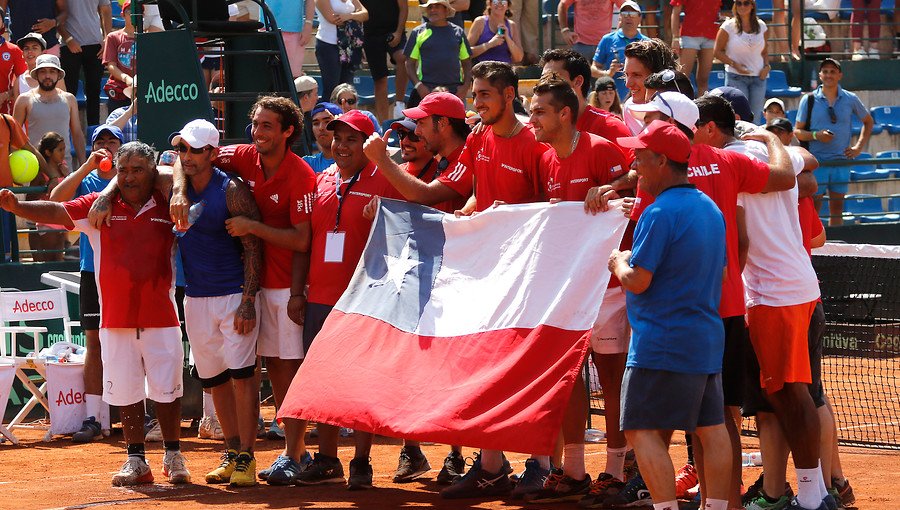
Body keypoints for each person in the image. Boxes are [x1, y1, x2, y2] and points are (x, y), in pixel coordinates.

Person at [630, 90, 795, 507]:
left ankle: (667, 498)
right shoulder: (725, 169)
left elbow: (640, 267)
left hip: (670, 322)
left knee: (650, 425)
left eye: (651, 119)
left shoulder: (656, 197)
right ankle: (723, 504)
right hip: (720, 312)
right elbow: (789, 177)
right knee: (718, 421)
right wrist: (773, 138)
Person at [1, 141, 191, 487]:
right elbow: (58, 211)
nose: (130, 177)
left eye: (137, 170)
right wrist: (18, 207)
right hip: (115, 319)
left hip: (162, 316)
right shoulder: (96, 208)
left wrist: (139, 184)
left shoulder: (168, 201)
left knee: (167, 389)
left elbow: (174, 170)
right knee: (126, 392)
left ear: (152, 172)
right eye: (123, 171)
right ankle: (136, 460)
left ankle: (173, 454)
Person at [171, 96, 317, 486]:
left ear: (288, 131)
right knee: (259, 368)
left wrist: (253, 229)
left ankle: (293, 453)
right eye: (255, 124)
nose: (258, 132)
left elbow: (302, 239)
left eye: (268, 125)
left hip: (283, 282)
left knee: (284, 369)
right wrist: (178, 191)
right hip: (247, 282)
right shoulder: (241, 155)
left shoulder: (301, 175)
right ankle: (245, 452)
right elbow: (180, 160)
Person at [610, 119, 732, 510]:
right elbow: (724, 271)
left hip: (661, 341)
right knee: (711, 429)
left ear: (662, 161)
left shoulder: (658, 213)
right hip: (705, 338)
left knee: (638, 428)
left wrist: (618, 261)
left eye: (640, 157)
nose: (634, 164)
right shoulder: (710, 209)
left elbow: (639, 280)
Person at [524, 75, 630, 505]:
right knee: (566, 380)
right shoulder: (547, 158)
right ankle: (573, 471)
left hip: (607, 288)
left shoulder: (602, 150)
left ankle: (617, 471)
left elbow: (638, 192)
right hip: (568, 288)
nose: (532, 118)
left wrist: (612, 190)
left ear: (564, 114)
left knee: (612, 378)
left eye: (539, 111)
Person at [292, 109, 403, 490]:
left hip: (364, 299)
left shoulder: (386, 180)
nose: (341, 145)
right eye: (337, 138)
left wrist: (384, 220)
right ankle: (326, 459)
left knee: (360, 383)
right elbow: (305, 243)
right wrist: (297, 292)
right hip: (320, 297)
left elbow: (407, 233)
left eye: (352, 139)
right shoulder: (320, 180)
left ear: (370, 144)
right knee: (323, 381)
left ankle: (361, 460)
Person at [168, 119, 264, 487]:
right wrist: (178, 187)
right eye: (182, 149)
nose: (186, 156)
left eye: (194, 150)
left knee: (243, 378)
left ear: (212, 152)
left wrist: (248, 300)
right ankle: (230, 450)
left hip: (232, 293)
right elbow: (168, 167)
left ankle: (248, 458)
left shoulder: (232, 190)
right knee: (215, 380)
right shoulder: (176, 184)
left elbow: (253, 246)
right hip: (195, 297)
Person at [49, 124, 124, 443]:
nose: (106, 145)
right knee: (93, 342)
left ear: (122, 146)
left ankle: (144, 415)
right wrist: (86, 166)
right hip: (92, 272)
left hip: (124, 273)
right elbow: (55, 201)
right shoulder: (88, 180)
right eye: (100, 141)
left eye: (112, 140)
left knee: (130, 344)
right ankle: (95, 417)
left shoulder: (132, 180)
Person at [794, 58, 875, 227]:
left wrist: (858, 147)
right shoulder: (808, 100)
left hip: (841, 162)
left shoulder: (850, 98)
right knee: (814, 208)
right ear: (820, 75)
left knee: (837, 208)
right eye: (825, 71)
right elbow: (797, 132)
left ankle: (835, 249)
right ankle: (813, 246)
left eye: (832, 71)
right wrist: (817, 135)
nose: (828, 75)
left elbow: (868, 121)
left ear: (840, 75)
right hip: (817, 163)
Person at [540, 48, 633, 145]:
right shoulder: (541, 129)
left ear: (578, 82)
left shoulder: (611, 128)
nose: (545, 85)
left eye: (553, 78)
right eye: (543, 79)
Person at [13, 54, 86, 169]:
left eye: (52, 71)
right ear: (36, 75)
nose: (47, 76)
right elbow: (14, 136)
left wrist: (83, 165)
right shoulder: (24, 100)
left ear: (58, 75)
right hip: (35, 169)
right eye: (43, 72)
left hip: (65, 168)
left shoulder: (69, 99)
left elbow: (77, 133)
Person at [404, 0, 473, 107]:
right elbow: (409, 64)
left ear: (446, 10)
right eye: (430, 7)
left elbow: (467, 63)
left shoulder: (458, 32)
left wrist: (465, 87)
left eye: (437, 7)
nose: (433, 10)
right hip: (427, 90)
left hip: (454, 92)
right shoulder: (418, 32)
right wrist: (419, 86)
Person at [714, 0, 769, 121]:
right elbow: (717, 52)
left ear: (752, 5)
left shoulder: (762, 26)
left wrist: (767, 67)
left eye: (746, 3)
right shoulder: (727, 26)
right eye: (739, 3)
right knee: (738, 118)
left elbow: (765, 52)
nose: (742, 6)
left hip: (759, 78)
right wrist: (734, 64)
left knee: (755, 120)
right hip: (735, 76)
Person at [60, 0, 112, 126]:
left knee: (94, 91)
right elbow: (57, 14)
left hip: (95, 44)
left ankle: (93, 132)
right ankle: (68, 133)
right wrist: (68, 39)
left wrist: (107, 39)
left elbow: (106, 10)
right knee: (68, 92)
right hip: (68, 45)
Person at [360, 0, 409, 121]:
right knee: (380, 80)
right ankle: (383, 124)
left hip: (394, 31)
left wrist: (398, 32)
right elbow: (356, 10)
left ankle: (399, 104)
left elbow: (403, 7)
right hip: (370, 35)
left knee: (402, 57)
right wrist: (358, 43)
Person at [621, 38, 677, 134]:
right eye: (626, 74)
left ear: (658, 76)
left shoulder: (683, 109)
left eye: (636, 75)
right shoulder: (629, 108)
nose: (628, 84)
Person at [314, 0, 368, 101]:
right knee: (331, 90)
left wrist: (348, 16)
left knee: (347, 91)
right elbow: (333, 19)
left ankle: (344, 117)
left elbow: (365, 14)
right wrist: (355, 16)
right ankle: (329, 116)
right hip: (328, 45)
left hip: (348, 48)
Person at [27, 131, 69, 262]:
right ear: (48, 152)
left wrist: (68, 177)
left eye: (64, 149)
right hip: (45, 225)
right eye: (60, 150)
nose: (63, 153)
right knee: (48, 263)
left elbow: (70, 194)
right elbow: (29, 198)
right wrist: (44, 189)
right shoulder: (40, 174)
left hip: (61, 223)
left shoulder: (64, 168)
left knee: (58, 263)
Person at [590, 0, 647, 88]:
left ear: (640, 18)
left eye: (632, 14)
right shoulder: (608, 39)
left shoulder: (647, 42)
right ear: (620, 17)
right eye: (625, 14)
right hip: (613, 98)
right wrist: (608, 73)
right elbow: (593, 69)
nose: (628, 17)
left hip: (640, 96)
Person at [670, 0, 720, 94]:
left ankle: (703, 107)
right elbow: (675, 12)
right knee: (682, 77)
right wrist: (675, 38)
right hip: (689, 35)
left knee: (704, 79)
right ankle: (679, 106)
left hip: (711, 35)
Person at [559, 0, 625, 62]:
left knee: (604, 74)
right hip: (580, 43)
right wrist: (565, 30)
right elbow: (562, 5)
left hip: (604, 45)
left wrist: (618, 32)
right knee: (579, 73)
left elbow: (625, 7)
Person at [267, 0, 315, 77]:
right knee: (266, 74)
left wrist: (308, 24)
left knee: (293, 76)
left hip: (294, 32)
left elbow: (310, 1)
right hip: (266, 28)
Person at [102, 0, 135, 111]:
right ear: (123, 14)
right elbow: (111, 66)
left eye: (137, 11)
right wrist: (126, 78)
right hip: (119, 91)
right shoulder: (113, 37)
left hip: (141, 91)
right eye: (130, 11)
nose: (133, 14)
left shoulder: (147, 38)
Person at [467, 0, 524, 64]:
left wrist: (508, 38)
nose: (499, 4)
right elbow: (467, 53)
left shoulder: (512, 25)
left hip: (504, 70)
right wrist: (489, 44)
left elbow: (519, 58)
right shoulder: (480, 22)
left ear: (508, 6)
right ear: (490, 4)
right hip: (483, 70)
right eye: (495, 1)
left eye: (503, 1)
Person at [2, 0, 66, 56]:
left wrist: (53, 23)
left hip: (49, 47)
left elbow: (64, 12)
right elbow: (1, 12)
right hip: (18, 48)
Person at [303, 101, 341, 172]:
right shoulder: (307, 164)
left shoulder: (355, 161)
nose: (321, 128)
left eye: (327, 122)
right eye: (316, 123)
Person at [0, 18, 27, 115]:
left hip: (5, 114)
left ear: (3, 23)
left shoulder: (14, 50)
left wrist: (6, 95)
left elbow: (24, 83)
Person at [15, 32, 47, 98]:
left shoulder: (54, 76)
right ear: (22, 54)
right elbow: (17, 107)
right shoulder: (18, 82)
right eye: (26, 48)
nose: (30, 51)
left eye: (34, 48)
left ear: (43, 52)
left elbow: (64, 105)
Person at [295, 75, 319, 155]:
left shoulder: (308, 116)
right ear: (306, 97)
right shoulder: (290, 117)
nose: (317, 98)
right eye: (315, 94)